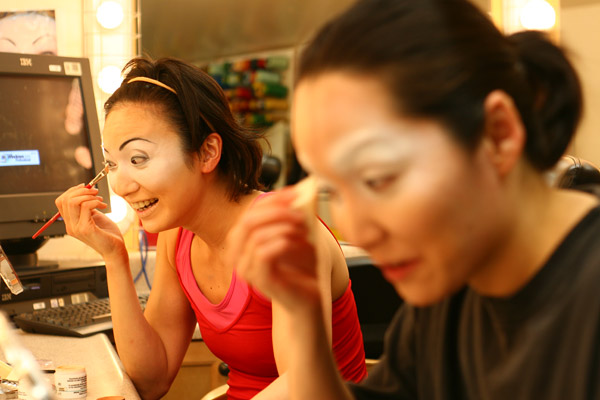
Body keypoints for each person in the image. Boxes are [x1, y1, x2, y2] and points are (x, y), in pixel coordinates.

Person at [226, 0, 600, 399]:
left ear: (498, 134)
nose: (357, 232)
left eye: (377, 179)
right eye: (332, 189)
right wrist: (302, 316)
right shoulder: (448, 288)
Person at [55, 57, 367, 400]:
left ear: (207, 153)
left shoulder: (287, 237)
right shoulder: (178, 237)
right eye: (112, 164)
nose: (120, 185)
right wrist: (114, 257)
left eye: (138, 159)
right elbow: (151, 381)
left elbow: (303, 387)